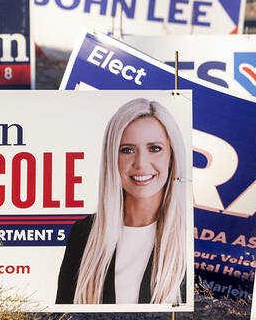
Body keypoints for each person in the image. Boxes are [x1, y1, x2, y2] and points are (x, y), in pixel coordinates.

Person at [56, 98, 188, 305]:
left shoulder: (190, 236)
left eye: (154, 148)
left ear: (172, 155)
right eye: (127, 150)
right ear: (112, 157)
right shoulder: (84, 232)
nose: (141, 163)